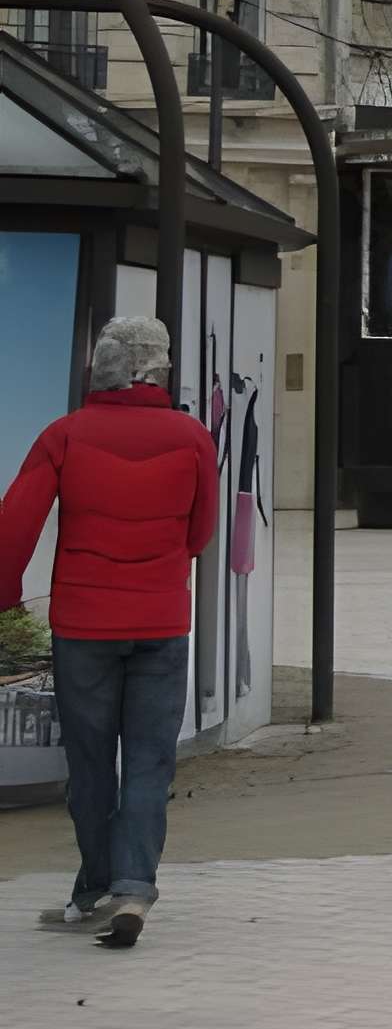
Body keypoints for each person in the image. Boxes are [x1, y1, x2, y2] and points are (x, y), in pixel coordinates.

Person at [0, 317, 218, 948]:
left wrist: (6, 592)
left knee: (91, 763)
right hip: (160, 623)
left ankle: (95, 885)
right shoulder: (193, 438)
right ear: (160, 368)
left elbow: (16, 523)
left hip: (85, 627)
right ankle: (133, 891)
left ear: (98, 368)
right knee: (150, 762)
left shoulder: (64, 435)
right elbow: (199, 531)